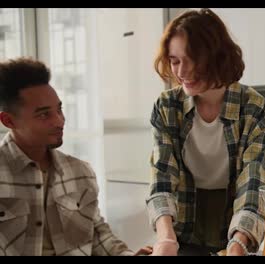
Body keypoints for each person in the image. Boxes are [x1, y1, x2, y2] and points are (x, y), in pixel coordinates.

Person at [146, 8, 265, 256]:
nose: (182, 72)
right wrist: (166, 239)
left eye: (192, 59)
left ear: (217, 56)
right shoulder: (167, 107)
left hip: (237, 230)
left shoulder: (253, 108)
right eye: (175, 61)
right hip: (182, 229)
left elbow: (254, 184)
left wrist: (238, 244)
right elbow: (161, 179)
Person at [0, 57, 152, 256]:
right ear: (8, 120)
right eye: (44, 115)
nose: (60, 121)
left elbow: (98, 238)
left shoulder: (80, 172)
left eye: (59, 109)